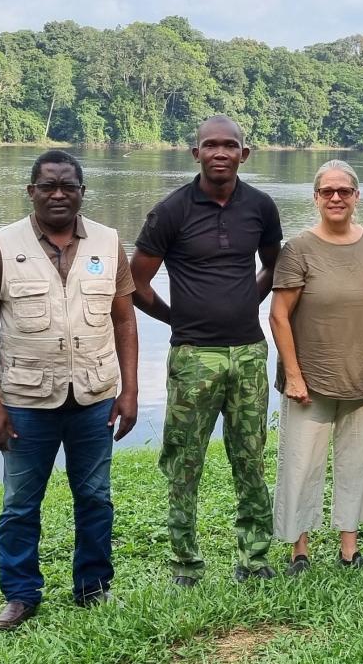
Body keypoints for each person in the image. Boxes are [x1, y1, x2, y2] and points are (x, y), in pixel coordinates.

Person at [0, 150, 139, 631]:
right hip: (25, 402)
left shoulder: (108, 242)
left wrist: (129, 390)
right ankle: (20, 595)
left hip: (94, 397)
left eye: (68, 186)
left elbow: (125, 321)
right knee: (20, 504)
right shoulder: (1, 246)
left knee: (95, 497)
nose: (58, 194)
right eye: (48, 186)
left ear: (83, 192)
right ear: (32, 191)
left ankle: (93, 588)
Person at [131, 115, 283, 586]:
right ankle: (185, 563)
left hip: (249, 352)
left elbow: (273, 266)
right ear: (195, 152)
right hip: (194, 355)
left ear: (244, 153)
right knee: (184, 460)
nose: (221, 153)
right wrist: (176, 319)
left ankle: (254, 559)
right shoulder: (170, 211)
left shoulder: (261, 207)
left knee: (251, 457)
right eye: (211, 145)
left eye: (230, 145)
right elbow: (136, 283)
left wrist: (245, 303)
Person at [269, 159, 363, 575]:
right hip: (312, 381)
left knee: (356, 464)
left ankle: (349, 550)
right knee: (301, 465)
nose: (336, 198)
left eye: (344, 191)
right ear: (316, 198)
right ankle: (299, 551)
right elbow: (278, 315)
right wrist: (293, 375)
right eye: (328, 191)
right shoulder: (299, 249)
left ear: (357, 196)